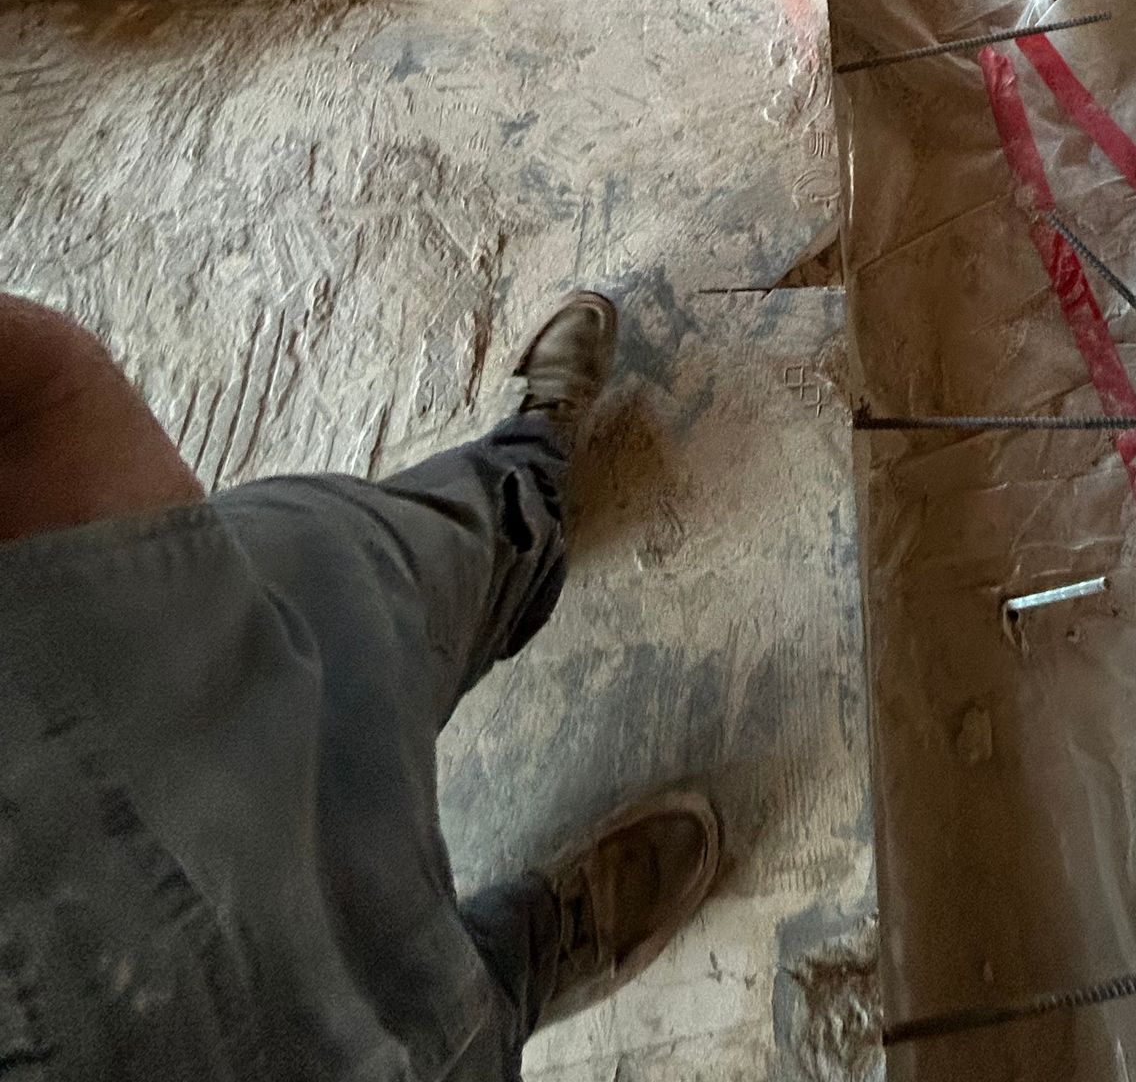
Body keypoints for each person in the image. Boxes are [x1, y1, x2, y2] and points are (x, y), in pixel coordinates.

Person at [0, 285, 720, 1078]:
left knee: (371, 581)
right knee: (443, 1030)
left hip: (73, 694)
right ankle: (536, 952)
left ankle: (524, 496)